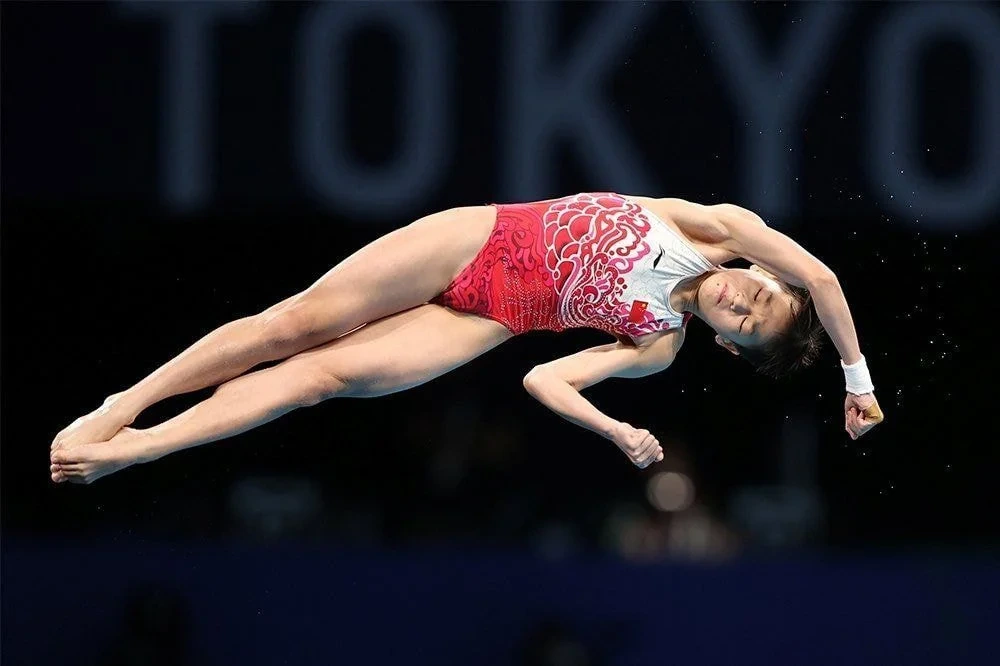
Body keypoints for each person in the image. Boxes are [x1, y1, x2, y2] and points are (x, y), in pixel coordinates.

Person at [49, 192, 883, 485]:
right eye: (760, 292)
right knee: (294, 325)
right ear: (764, 270)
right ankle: (130, 400)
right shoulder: (713, 228)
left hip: (489, 318)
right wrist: (856, 381)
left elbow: (545, 383)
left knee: (321, 379)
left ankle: (143, 449)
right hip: (476, 240)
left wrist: (615, 430)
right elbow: (826, 280)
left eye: (744, 319)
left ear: (729, 346)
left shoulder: (658, 342)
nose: (741, 298)